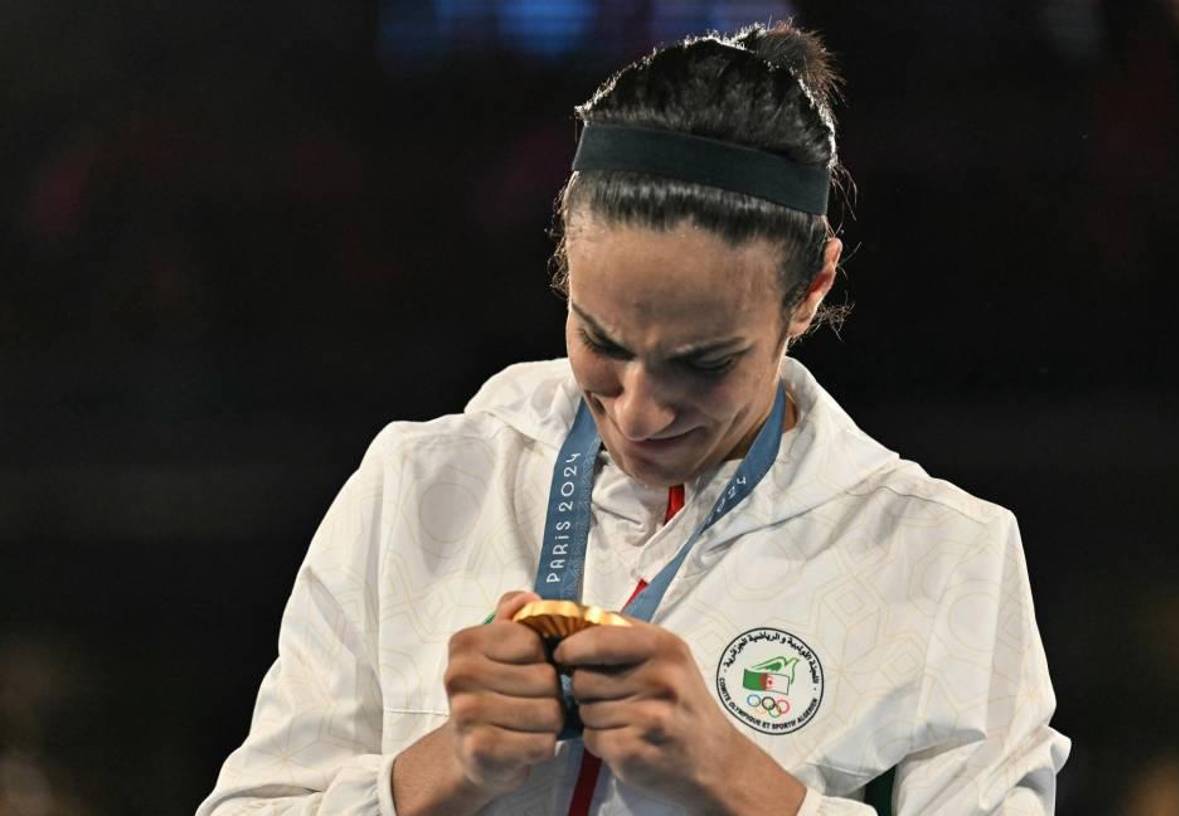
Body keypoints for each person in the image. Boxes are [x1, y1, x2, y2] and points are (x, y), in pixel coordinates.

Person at [197, 21, 1069, 816]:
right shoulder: (422, 486)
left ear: (811, 290)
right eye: (602, 341)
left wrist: (743, 784)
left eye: (703, 364)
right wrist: (440, 767)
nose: (642, 411)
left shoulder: (944, 556)